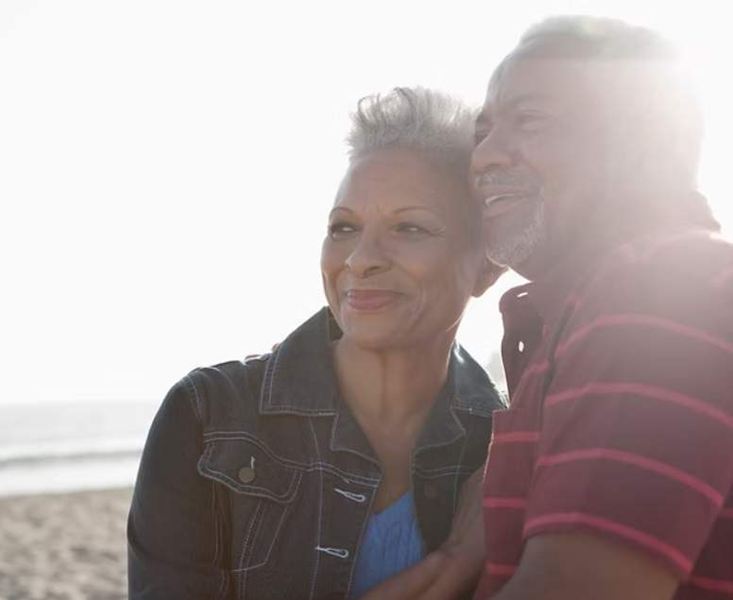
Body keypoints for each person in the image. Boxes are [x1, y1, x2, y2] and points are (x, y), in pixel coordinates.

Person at [359, 15, 733, 600]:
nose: (483, 156)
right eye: (485, 131)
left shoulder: (661, 291)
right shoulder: (593, 310)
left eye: (529, 120)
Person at [126, 87, 505, 599]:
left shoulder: (504, 448)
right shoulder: (207, 418)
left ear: (487, 265)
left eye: (410, 227)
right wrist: (454, 561)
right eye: (344, 227)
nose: (360, 259)